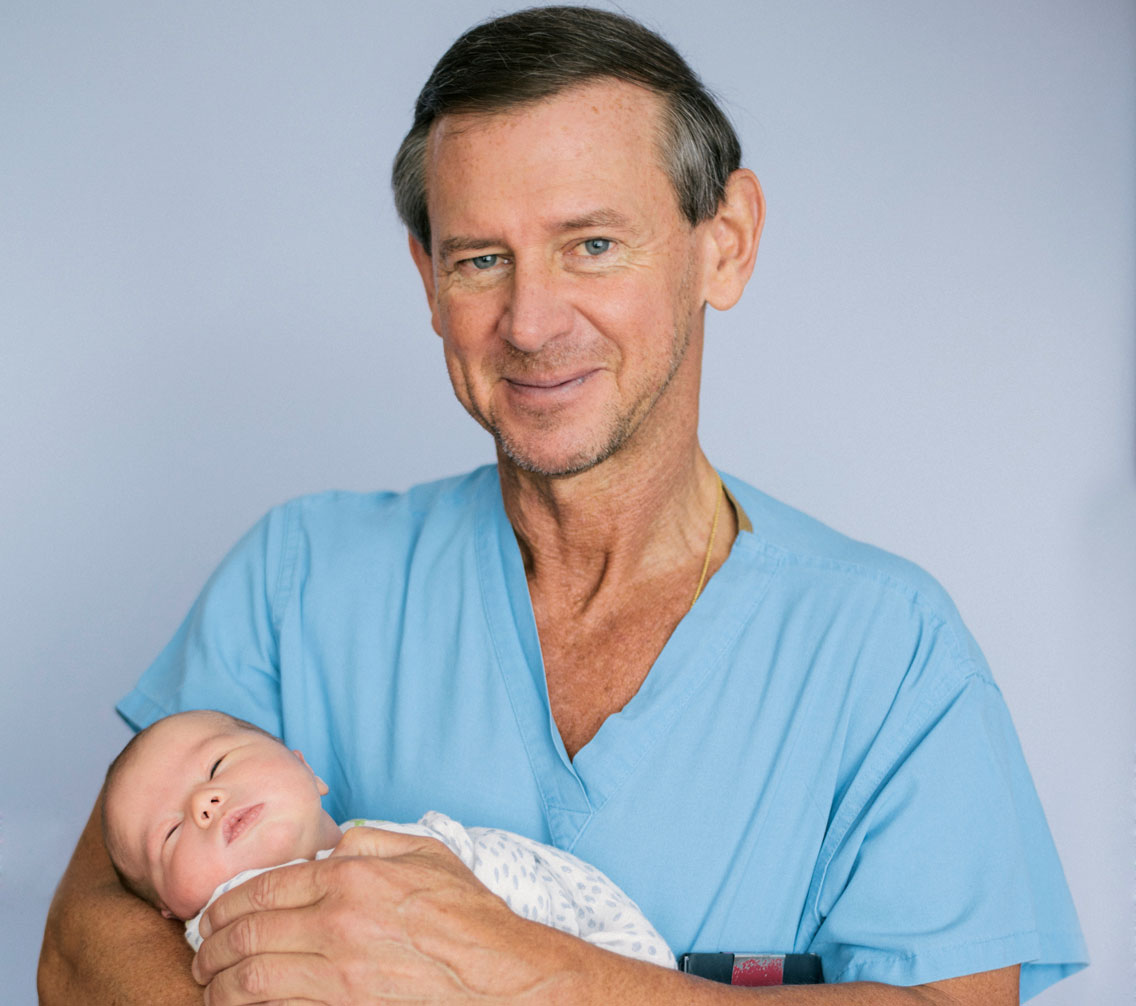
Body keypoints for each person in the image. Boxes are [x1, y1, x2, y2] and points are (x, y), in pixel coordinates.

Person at [40, 6, 1087, 1004]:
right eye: (480, 260)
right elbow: (83, 954)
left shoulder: (888, 652)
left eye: (590, 244)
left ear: (722, 242)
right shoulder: (296, 581)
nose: (531, 323)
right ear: (426, 278)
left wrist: (534, 979)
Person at [102, 709, 674, 966]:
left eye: (218, 763)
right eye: (170, 833)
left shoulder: (434, 850)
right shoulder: (208, 952)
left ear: (306, 770)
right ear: (166, 910)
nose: (204, 802)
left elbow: (583, 909)